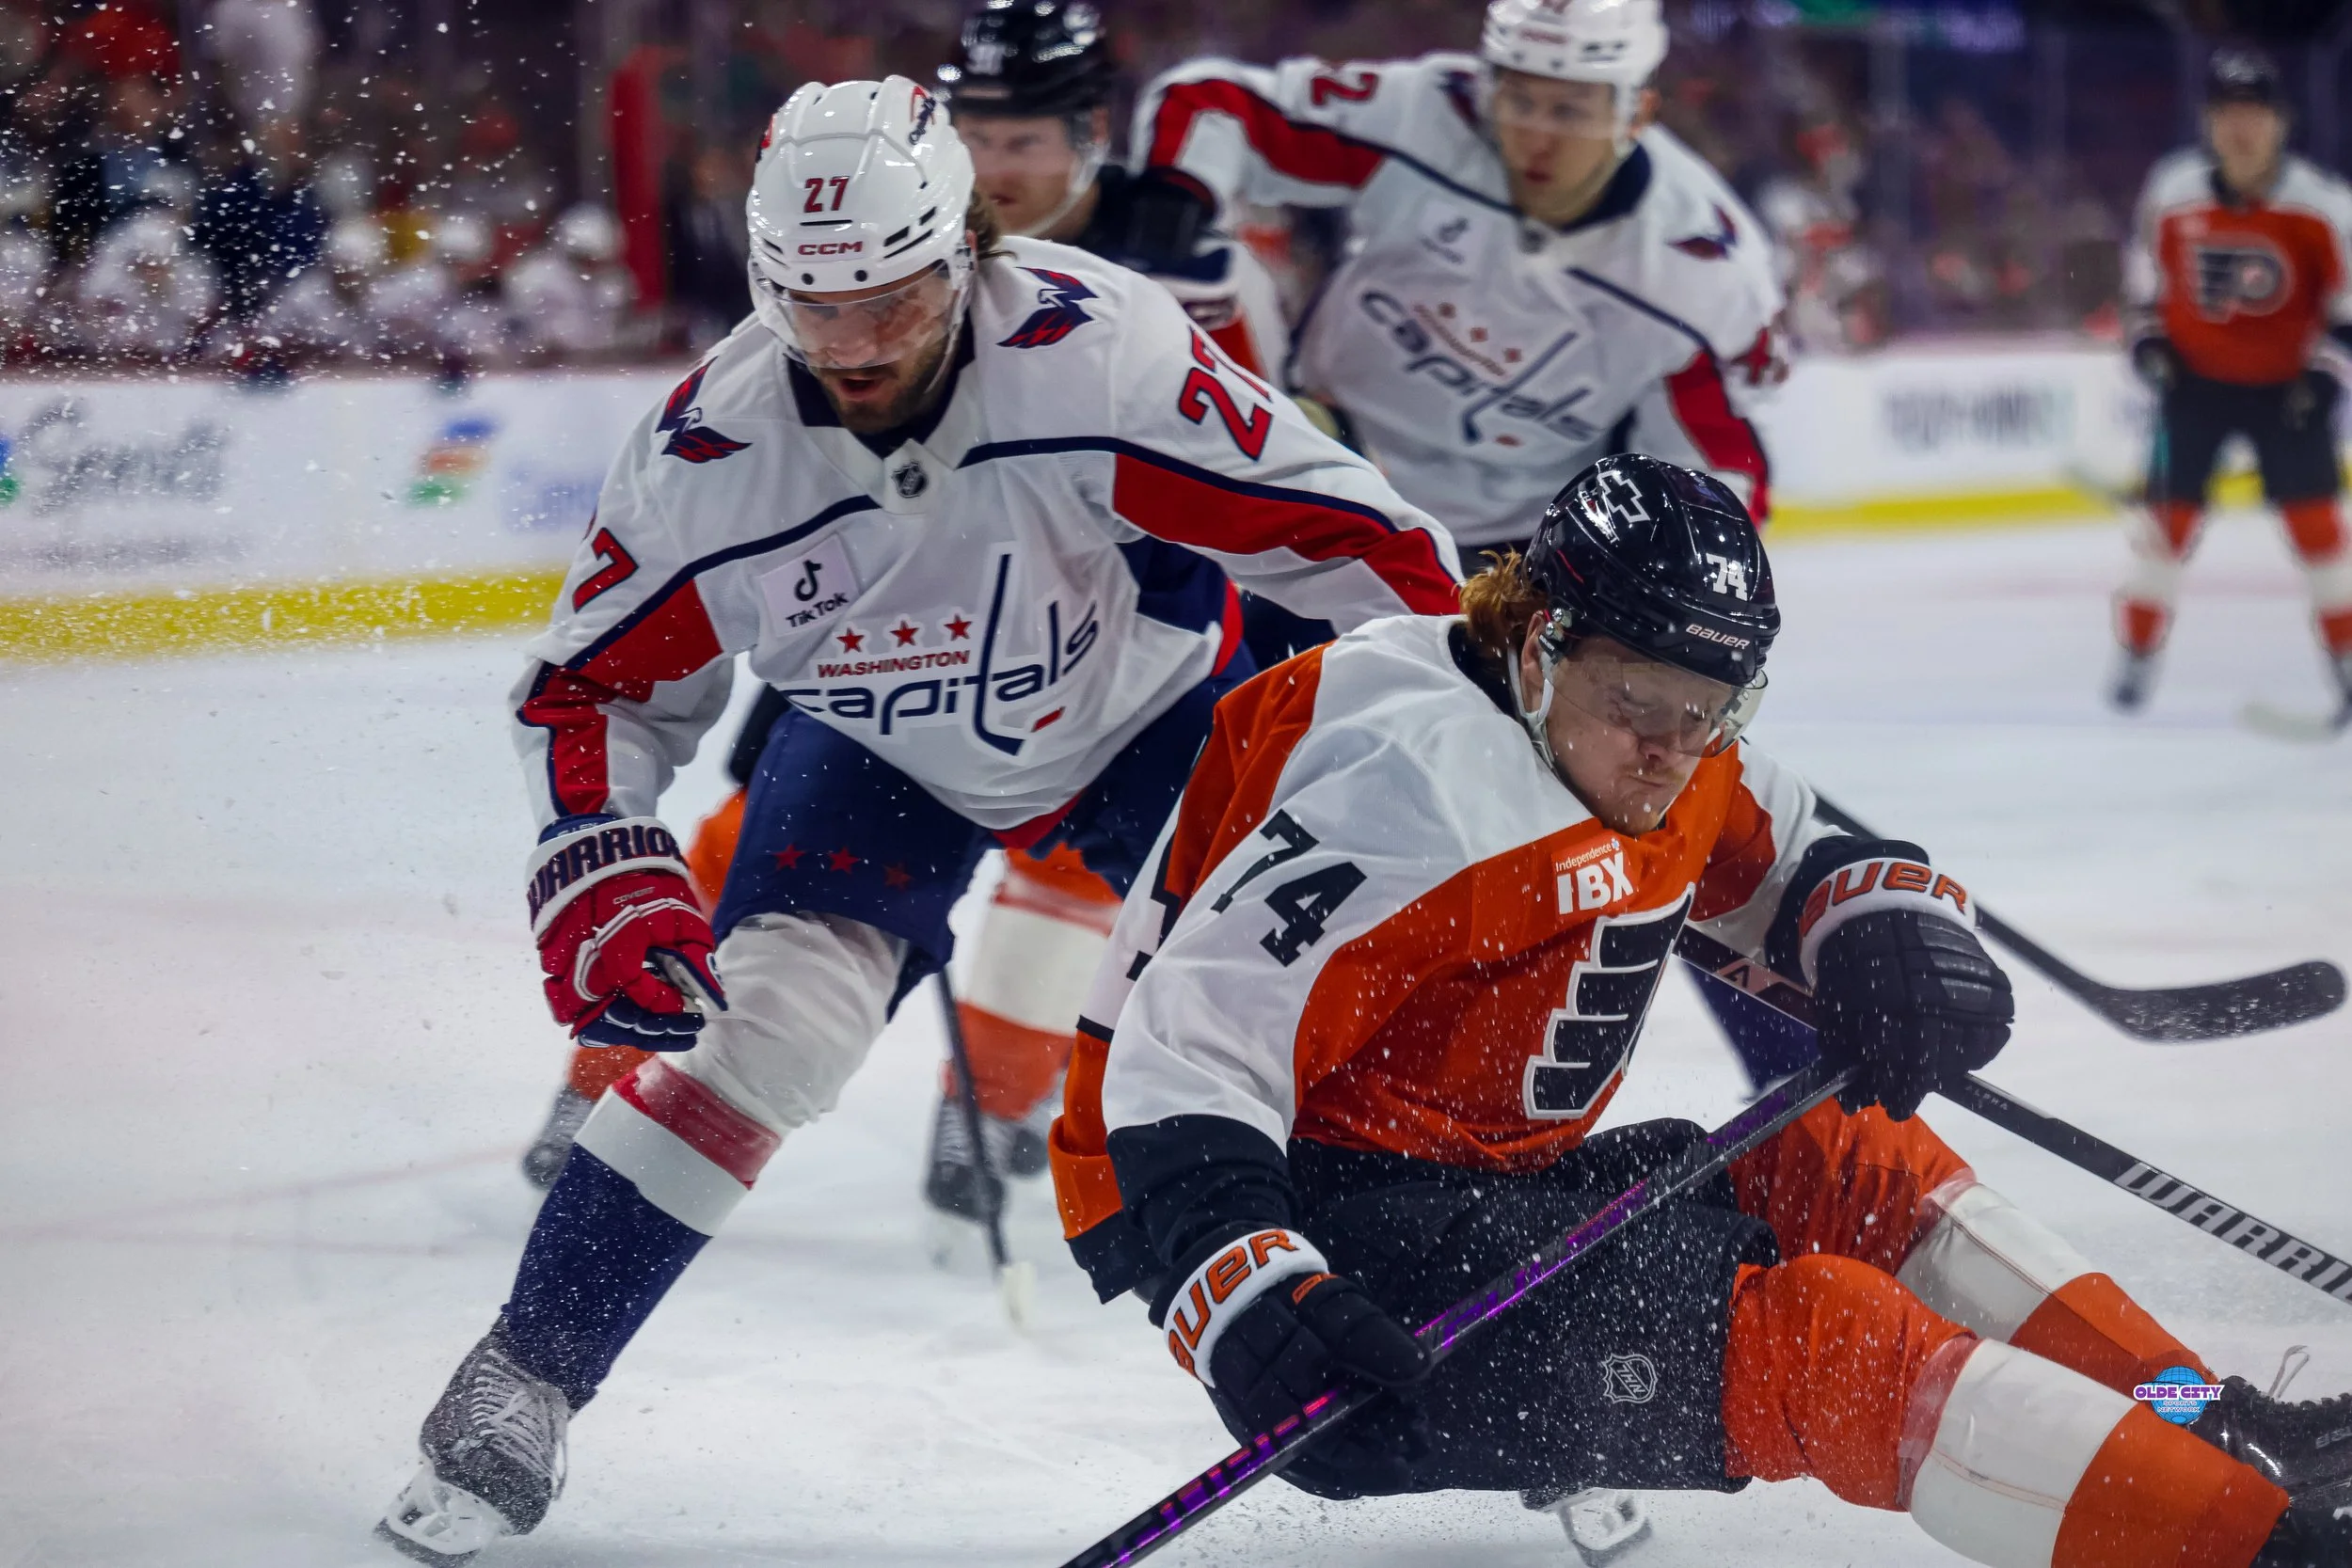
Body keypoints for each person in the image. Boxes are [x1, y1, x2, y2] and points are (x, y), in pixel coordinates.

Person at [375, 76, 1460, 1562]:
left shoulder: (1102, 350)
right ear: (765, 287)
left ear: (968, 250)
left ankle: (1458, 1335)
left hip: (1152, 729)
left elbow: (1370, 545)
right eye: (815, 309)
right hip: (879, 749)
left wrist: (1461, 712)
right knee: (767, 1032)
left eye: (892, 297)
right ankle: (527, 1367)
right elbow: (583, 692)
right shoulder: (706, 454)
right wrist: (599, 847)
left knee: (1289, 1023)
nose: (858, 345)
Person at [1052, 453, 2352, 1568]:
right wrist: (1243, 1291)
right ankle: (2261, 1542)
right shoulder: (1404, 794)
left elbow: (1793, 849)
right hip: (1349, 1281)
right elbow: (1180, 1061)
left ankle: (2195, 1415)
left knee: (1853, 1159)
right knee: (1833, 1345)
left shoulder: (1639, 719)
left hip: (1501, 1186)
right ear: (1537, 635)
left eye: (1709, 705)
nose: (1674, 749)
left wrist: (1883, 927)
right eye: (1641, 702)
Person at [511, 0, 1295, 1231]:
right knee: (752, 836)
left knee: (1079, 879)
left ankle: (992, 1105)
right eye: (979, 132)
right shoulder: (881, 240)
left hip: (1103, 616)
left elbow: (1252, 464)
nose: (1002, 165)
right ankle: (614, 1074)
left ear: (1093, 135)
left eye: (1030, 135)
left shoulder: (1185, 256)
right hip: (879, 588)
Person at [1124, 0, 1806, 1095]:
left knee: (1645, 794)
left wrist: (1649, 619)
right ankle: (1196, 1061)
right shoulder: (1423, 111)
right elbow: (1210, 104)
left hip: (1543, 563)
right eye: (1518, 99)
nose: (1533, 134)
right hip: (1344, 503)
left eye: (1570, 109)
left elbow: (1718, 476)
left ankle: (1796, 1063)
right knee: (1292, 789)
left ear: (1637, 108)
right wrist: (1174, 196)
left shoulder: (1699, 264)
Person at [2116, 45, 2352, 725]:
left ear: (2280, 122)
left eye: (2254, 113)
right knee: (2166, 529)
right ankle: (2135, 653)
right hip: (2195, 386)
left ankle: (2344, 661)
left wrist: (2326, 377)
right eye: (2226, 113)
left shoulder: (2322, 204)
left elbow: (2347, 310)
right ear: (2207, 121)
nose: (2240, 128)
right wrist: (2148, 344)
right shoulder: (2172, 189)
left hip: (2287, 391)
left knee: (2320, 534)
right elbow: (2143, 284)